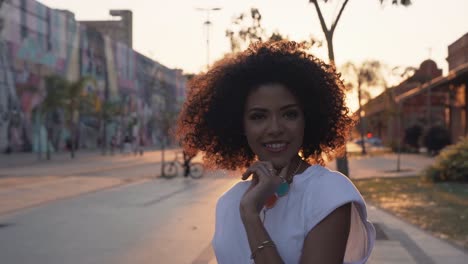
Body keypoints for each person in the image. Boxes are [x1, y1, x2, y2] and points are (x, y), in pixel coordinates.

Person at [177, 41, 375, 264]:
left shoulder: (329, 194)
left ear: (307, 119)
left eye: (289, 114)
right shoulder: (229, 202)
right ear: (239, 125)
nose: (275, 129)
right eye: (258, 116)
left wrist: (252, 217)